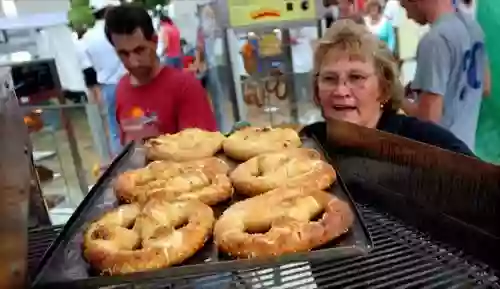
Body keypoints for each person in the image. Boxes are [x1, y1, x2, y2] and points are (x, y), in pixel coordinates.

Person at [301, 20, 473, 156]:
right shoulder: (309, 143)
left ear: (384, 88)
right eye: (329, 79)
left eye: (356, 77)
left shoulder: (425, 142)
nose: (340, 91)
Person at [104, 4, 217, 144]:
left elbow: (202, 150)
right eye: (124, 54)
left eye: (139, 50)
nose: (133, 62)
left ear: (155, 41)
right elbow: (128, 147)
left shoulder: (185, 87)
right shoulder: (122, 88)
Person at [400, 0, 490, 152]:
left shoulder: (434, 40)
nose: (407, 16)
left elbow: (428, 122)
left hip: (442, 159)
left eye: (404, 6)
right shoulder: (474, 29)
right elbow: (485, 87)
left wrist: (397, 98)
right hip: (468, 152)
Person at [81, 0, 126, 156]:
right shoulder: (120, 30)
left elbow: (87, 66)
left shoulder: (87, 37)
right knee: (141, 122)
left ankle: (120, 162)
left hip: (108, 86)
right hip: (129, 81)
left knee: (114, 127)